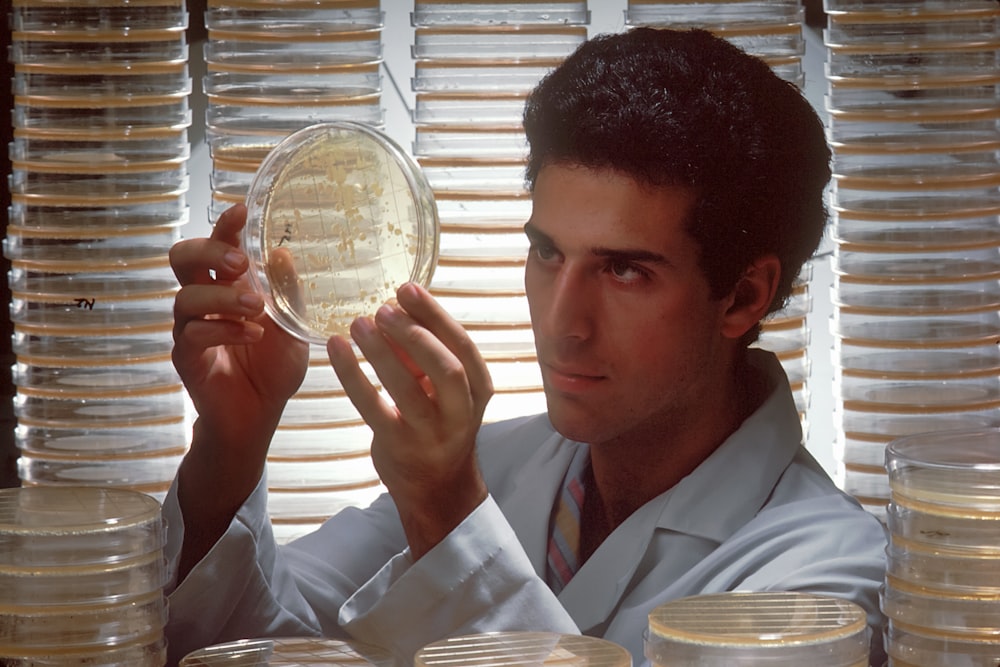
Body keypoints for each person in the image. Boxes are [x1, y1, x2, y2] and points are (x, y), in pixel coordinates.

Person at [164, 27, 888, 666]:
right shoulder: (493, 465)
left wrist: (448, 517)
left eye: (624, 269)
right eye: (547, 252)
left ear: (743, 296)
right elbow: (263, 651)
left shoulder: (827, 578)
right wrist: (231, 446)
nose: (563, 322)